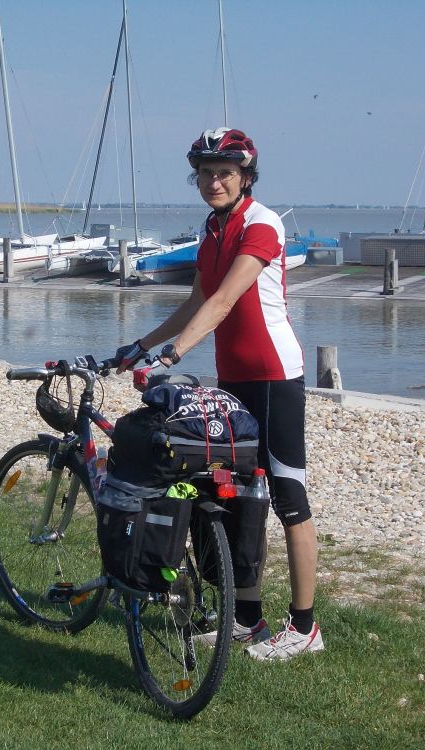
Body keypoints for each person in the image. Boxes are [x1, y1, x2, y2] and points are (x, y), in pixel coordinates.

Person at [114, 127, 323, 660]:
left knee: (288, 499)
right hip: (233, 378)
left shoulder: (262, 224)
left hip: (274, 376)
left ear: (245, 177)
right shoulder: (212, 227)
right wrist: (142, 343)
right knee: (240, 495)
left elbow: (228, 299)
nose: (213, 181)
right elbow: (197, 300)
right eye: (205, 173)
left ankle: (304, 628)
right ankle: (248, 619)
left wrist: (174, 355)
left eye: (224, 172)